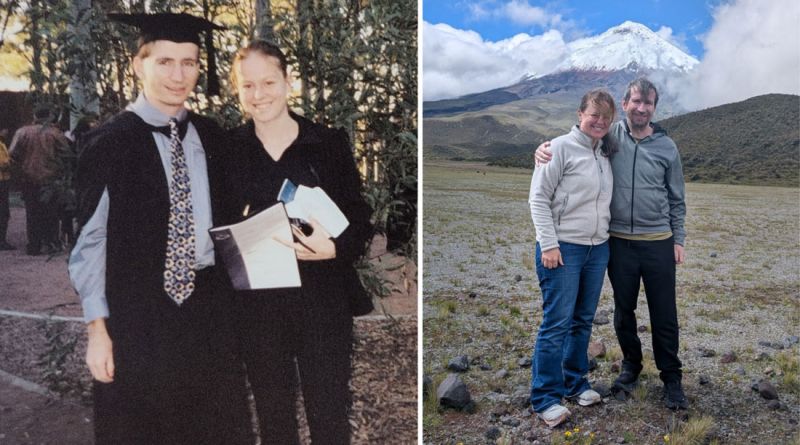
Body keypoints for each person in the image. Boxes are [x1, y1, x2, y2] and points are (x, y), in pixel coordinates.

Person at [68, 13, 252, 444]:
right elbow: (89, 242)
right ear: (139, 64)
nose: (178, 75)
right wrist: (98, 332)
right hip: (138, 316)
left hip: (209, 314)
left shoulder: (213, 138)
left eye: (189, 63)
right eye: (165, 62)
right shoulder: (108, 144)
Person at [226, 40, 373, 444]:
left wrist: (336, 248)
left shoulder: (326, 144)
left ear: (289, 82)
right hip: (258, 310)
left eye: (268, 82)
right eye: (248, 86)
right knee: (274, 421)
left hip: (322, 303)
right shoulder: (228, 150)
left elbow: (359, 219)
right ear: (236, 89)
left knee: (328, 417)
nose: (259, 95)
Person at [534, 78, 688, 410]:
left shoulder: (665, 146)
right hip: (618, 243)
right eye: (636, 101)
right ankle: (630, 367)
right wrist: (545, 148)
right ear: (626, 103)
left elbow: (678, 198)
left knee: (664, 314)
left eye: (648, 103)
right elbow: (578, 137)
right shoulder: (609, 136)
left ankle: (672, 379)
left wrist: (679, 238)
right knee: (623, 311)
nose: (641, 108)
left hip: (658, 241)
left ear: (654, 108)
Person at [528, 89, 616, 427]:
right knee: (556, 323)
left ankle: (575, 382)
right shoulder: (558, 148)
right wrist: (549, 244)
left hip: (597, 249)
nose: (600, 122)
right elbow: (538, 198)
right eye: (594, 114)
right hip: (562, 249)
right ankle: (545, 397)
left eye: (607, 118)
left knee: (582, 320)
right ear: (580, 113)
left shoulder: (606, 152)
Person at [9, 107, 69, 255]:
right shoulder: (55, 133)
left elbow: (12, 154)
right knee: (50, 213)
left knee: (32, 212)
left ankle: (34, 245)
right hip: (51, 179)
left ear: (35, 116)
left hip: (28, 178)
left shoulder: (23, 132)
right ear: (49, 117)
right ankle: (51, 243)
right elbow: (66, 154)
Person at [0, 129, 14, 250]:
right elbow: (3, 164)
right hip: (1, 180)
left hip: (4, 180)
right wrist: (9, 162)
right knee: (3, 212)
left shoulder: (2, 144)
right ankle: (1, 240)